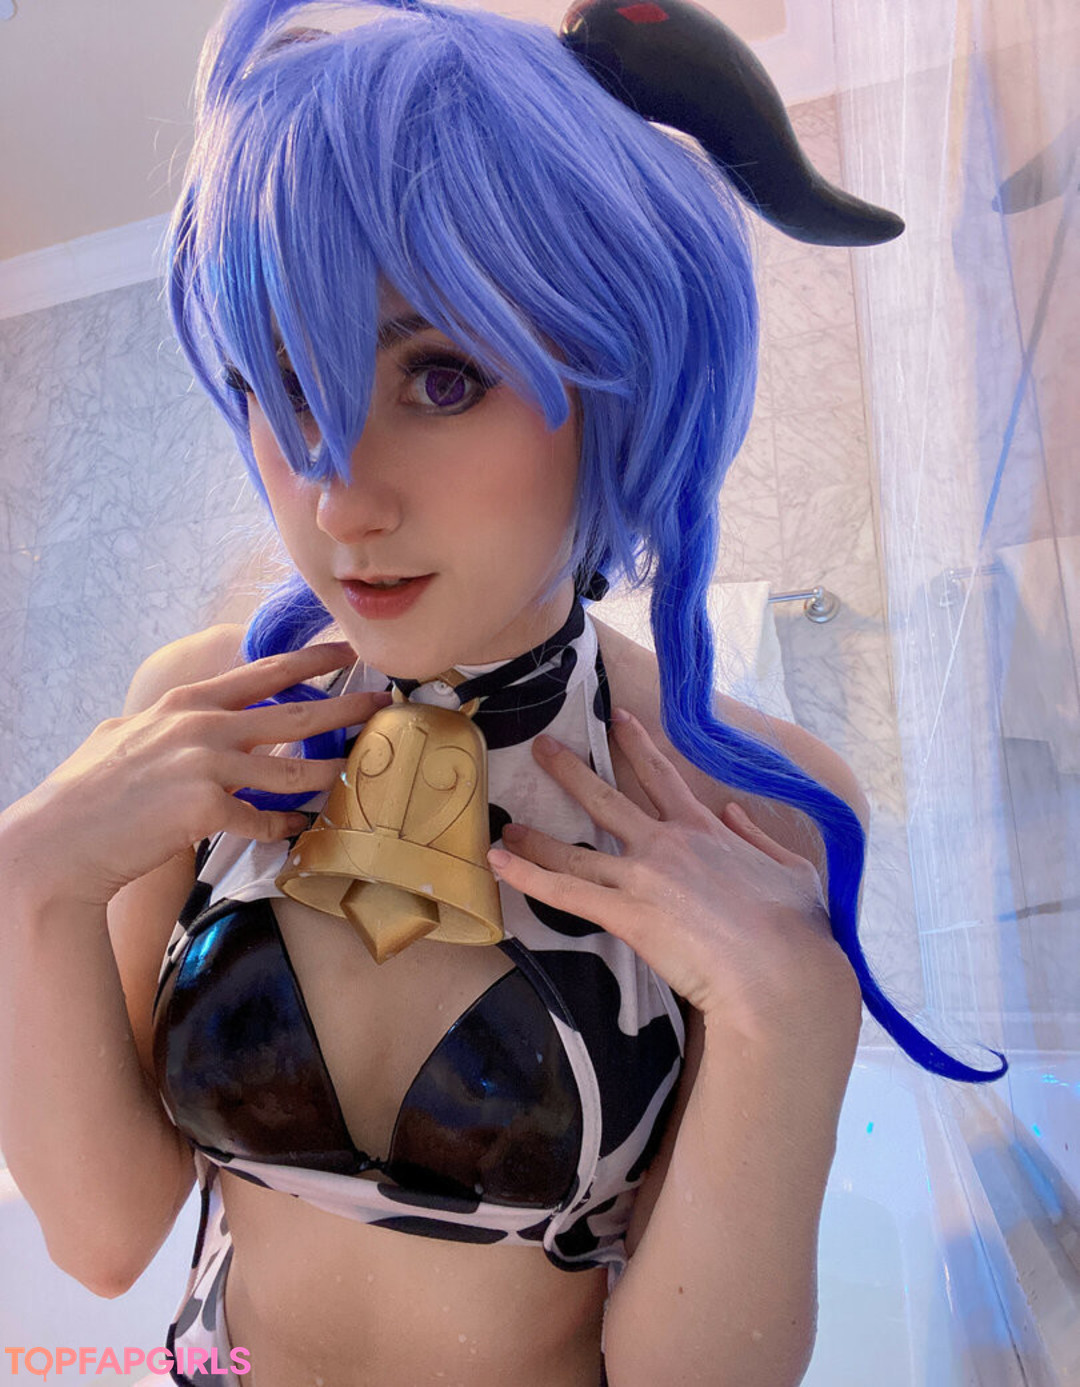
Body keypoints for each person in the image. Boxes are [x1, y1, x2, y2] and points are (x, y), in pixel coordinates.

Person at [0, 2, 1007, 1385]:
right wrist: (27, 881)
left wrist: (792, 1021)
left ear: (620, 377)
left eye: (442, 376)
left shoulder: (753, 800)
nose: (341, 498)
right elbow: (105, 1240)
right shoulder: (202, 710)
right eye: (284, 383)